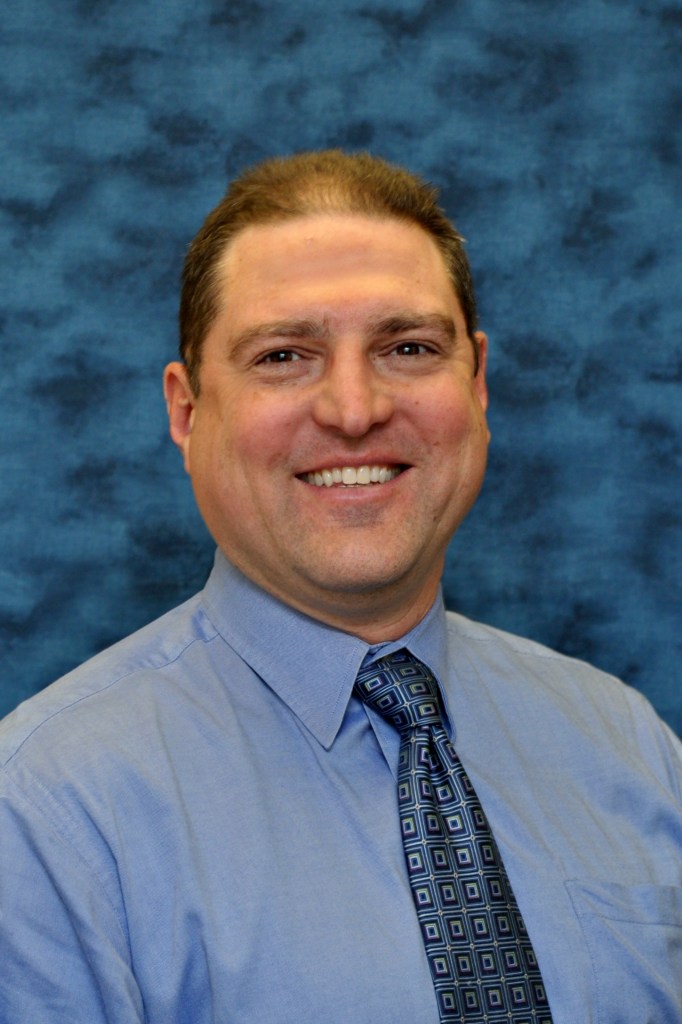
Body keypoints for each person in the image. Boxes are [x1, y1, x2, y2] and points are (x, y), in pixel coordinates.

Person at [1, 150, 680, 1024]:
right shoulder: (45, 815)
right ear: (187, 410)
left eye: (409, 348)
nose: (354, 410)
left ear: (477, 385)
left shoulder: (630, 745)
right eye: (284, 355)